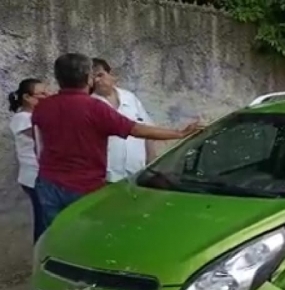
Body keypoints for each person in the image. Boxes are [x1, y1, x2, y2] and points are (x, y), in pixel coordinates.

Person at [32, 53, 203, 231]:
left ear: (58, 78)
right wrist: (179, 133)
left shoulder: (43, 107)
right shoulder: (95, 108)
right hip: (84, 187)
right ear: (88, 79)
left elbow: (39, 145)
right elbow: (136, 129)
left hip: (49, 183)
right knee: (86, 237)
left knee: (54, 235)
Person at [91, 58, 157, 182]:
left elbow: (147, 130)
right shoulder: (91, 104)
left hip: (137, 174)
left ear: (111, 75)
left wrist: (151, 164)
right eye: (93, 77)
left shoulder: (129, 98)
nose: (97, 80)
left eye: (100, 75)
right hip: (107, 178)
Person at [7, 78, 49, 243]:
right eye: (41, 94)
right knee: (43, 221)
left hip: (39, 176)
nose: (46, 97)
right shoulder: (23, 118)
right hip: (34, 176)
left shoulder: (35, 116)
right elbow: (45, 135)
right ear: (27, 97)